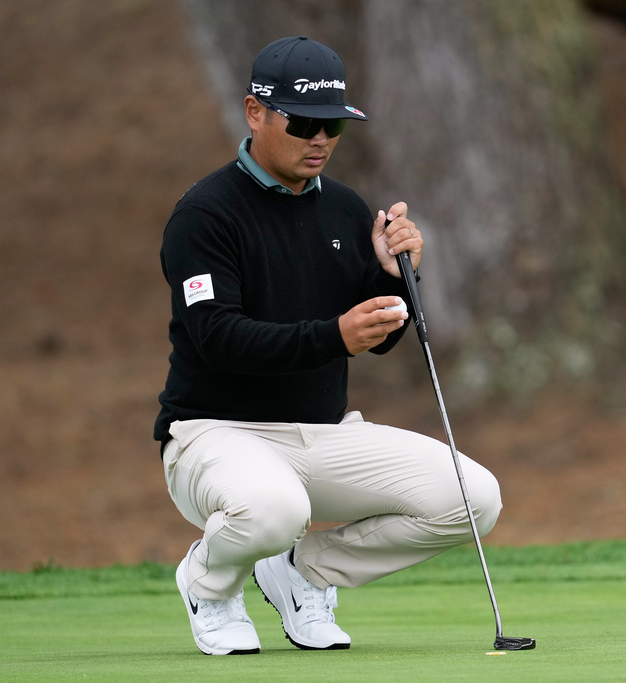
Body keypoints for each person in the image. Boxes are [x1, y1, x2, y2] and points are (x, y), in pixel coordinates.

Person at [154, 35, 502, 656]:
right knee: (274, 507)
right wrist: (334, 334)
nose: (321, 139)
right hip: (213, 434)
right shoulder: (204, 214)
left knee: (473, 498)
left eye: (333, 125)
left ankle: (300, 571)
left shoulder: (344, 210)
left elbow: (381, 341)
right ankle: (209, 584)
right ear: (255, 112)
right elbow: (218, 339)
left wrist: (395, 281)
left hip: (324, 435)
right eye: (305, 121)